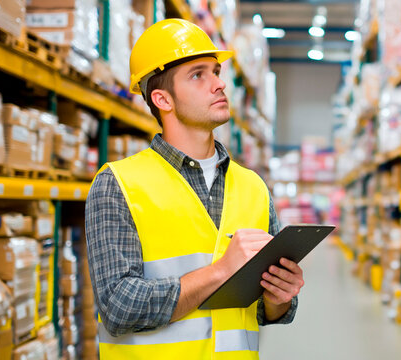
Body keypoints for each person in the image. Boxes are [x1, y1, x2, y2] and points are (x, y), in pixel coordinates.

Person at [85, 19, 303, 359]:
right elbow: (118, 306)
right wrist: (219, 271)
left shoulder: (254, 187)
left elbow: (262, 311)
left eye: (216, 71)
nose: (219, 84)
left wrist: (280, 297)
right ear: (163, 99)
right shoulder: (118, 184)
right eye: (198, 75)